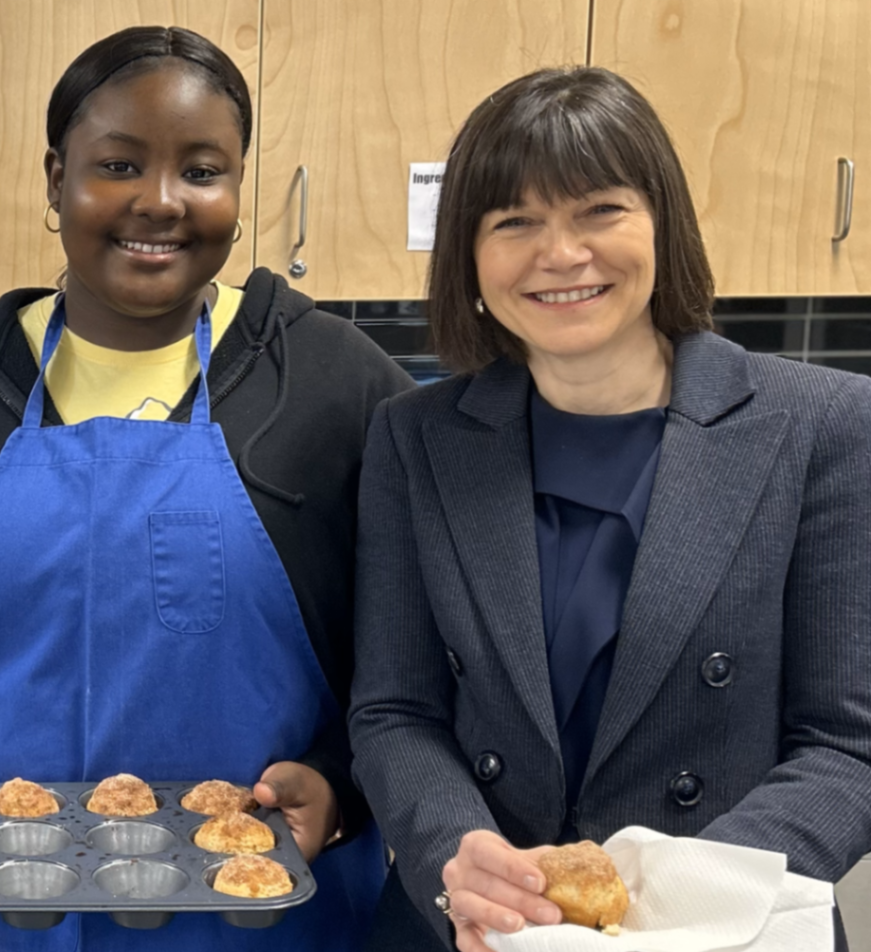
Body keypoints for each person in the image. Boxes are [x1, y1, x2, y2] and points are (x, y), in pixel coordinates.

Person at [0, 25, 413, 952]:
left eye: (201, 171)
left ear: (240, 189)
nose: (159, 203)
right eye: (118, 165)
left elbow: (412, 653)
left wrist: (341, 782)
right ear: (56, 179)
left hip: (269, 923)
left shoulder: (332, 385)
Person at [349, 65, 871, 952]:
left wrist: (676, 904)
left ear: (663, 223)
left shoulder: (825, 427)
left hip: (725, 930)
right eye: (515, 221)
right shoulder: (414, 438)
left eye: (600, 210)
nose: (561, 254)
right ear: (470, 259)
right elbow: (394, 711)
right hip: (480, 929)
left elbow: (846, 745)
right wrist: (456, 857)